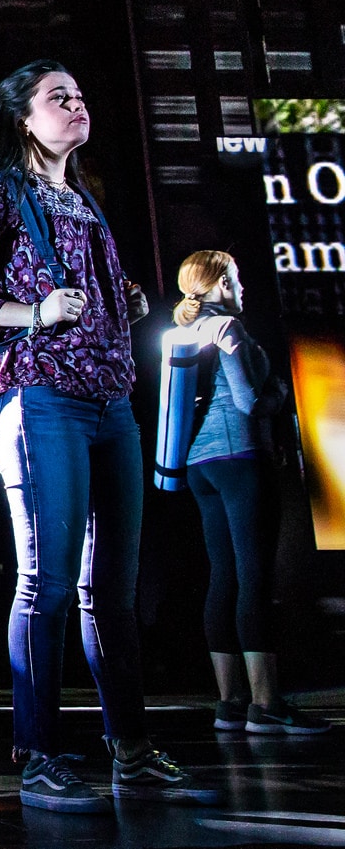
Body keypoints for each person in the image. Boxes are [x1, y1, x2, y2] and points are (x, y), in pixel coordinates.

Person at [0, 59, 216, 813]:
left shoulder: (85, 199)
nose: (77, 104)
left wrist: (119, 297)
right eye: (60, 97)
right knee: (46, 581)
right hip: (41, 398)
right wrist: (35, 314)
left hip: (111, 401)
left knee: (112, 590)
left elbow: (84, 292)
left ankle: (132, 748)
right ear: (24, 117)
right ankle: (41, 754)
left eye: (82, 95)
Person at [167, 251, 328, 736]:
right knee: (255, 577)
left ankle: (230, 702)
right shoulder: (227, 330)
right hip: (240, 460)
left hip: (199, 464)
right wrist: (280, 389)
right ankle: (267, 704)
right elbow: (249, 401)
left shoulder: (183, 332)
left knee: (223, 577)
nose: (243, 288)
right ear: (216, 286)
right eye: (235, 279)